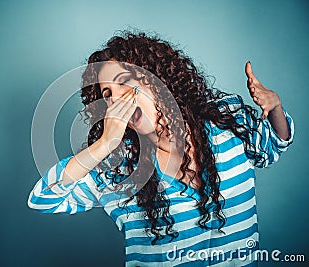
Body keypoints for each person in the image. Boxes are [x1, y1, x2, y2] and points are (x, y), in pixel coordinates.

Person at [27, 30, 294, 266]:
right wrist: (104, 145)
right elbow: (44, 198)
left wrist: (275, 108)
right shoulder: (119, 171)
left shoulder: (226, 124)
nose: (118, 100)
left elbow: (272, 146)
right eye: (107, 95)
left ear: (157, 80)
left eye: (124, 83)